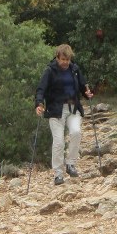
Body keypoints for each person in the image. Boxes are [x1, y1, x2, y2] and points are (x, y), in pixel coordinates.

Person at [35, 44, 93, 185]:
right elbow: (41, 89)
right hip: (56, 110)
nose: (65, 62)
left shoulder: (74, 69)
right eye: (62, 59)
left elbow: (82, 86)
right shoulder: (50, 71)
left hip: (73, 107)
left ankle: (71, 164)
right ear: (57, 57)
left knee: (76, 132)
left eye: (67, 59)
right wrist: (39, 104)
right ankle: (58, 174)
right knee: (59, 141)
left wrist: (87, 94)